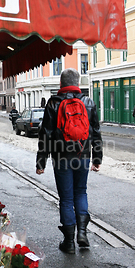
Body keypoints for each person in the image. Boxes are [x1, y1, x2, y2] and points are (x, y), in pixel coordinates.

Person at [36, 68, 103, 254]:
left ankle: (69, 242)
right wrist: (97, 158)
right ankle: (82, 234)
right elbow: (95, 132)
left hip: (61, 158)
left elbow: (46, 135)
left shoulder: (53, 103)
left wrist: (41, 162)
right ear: (78, 83)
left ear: (61, 84)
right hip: (83, 156)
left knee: (66, 199)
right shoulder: (88, 102)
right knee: (81, 192)